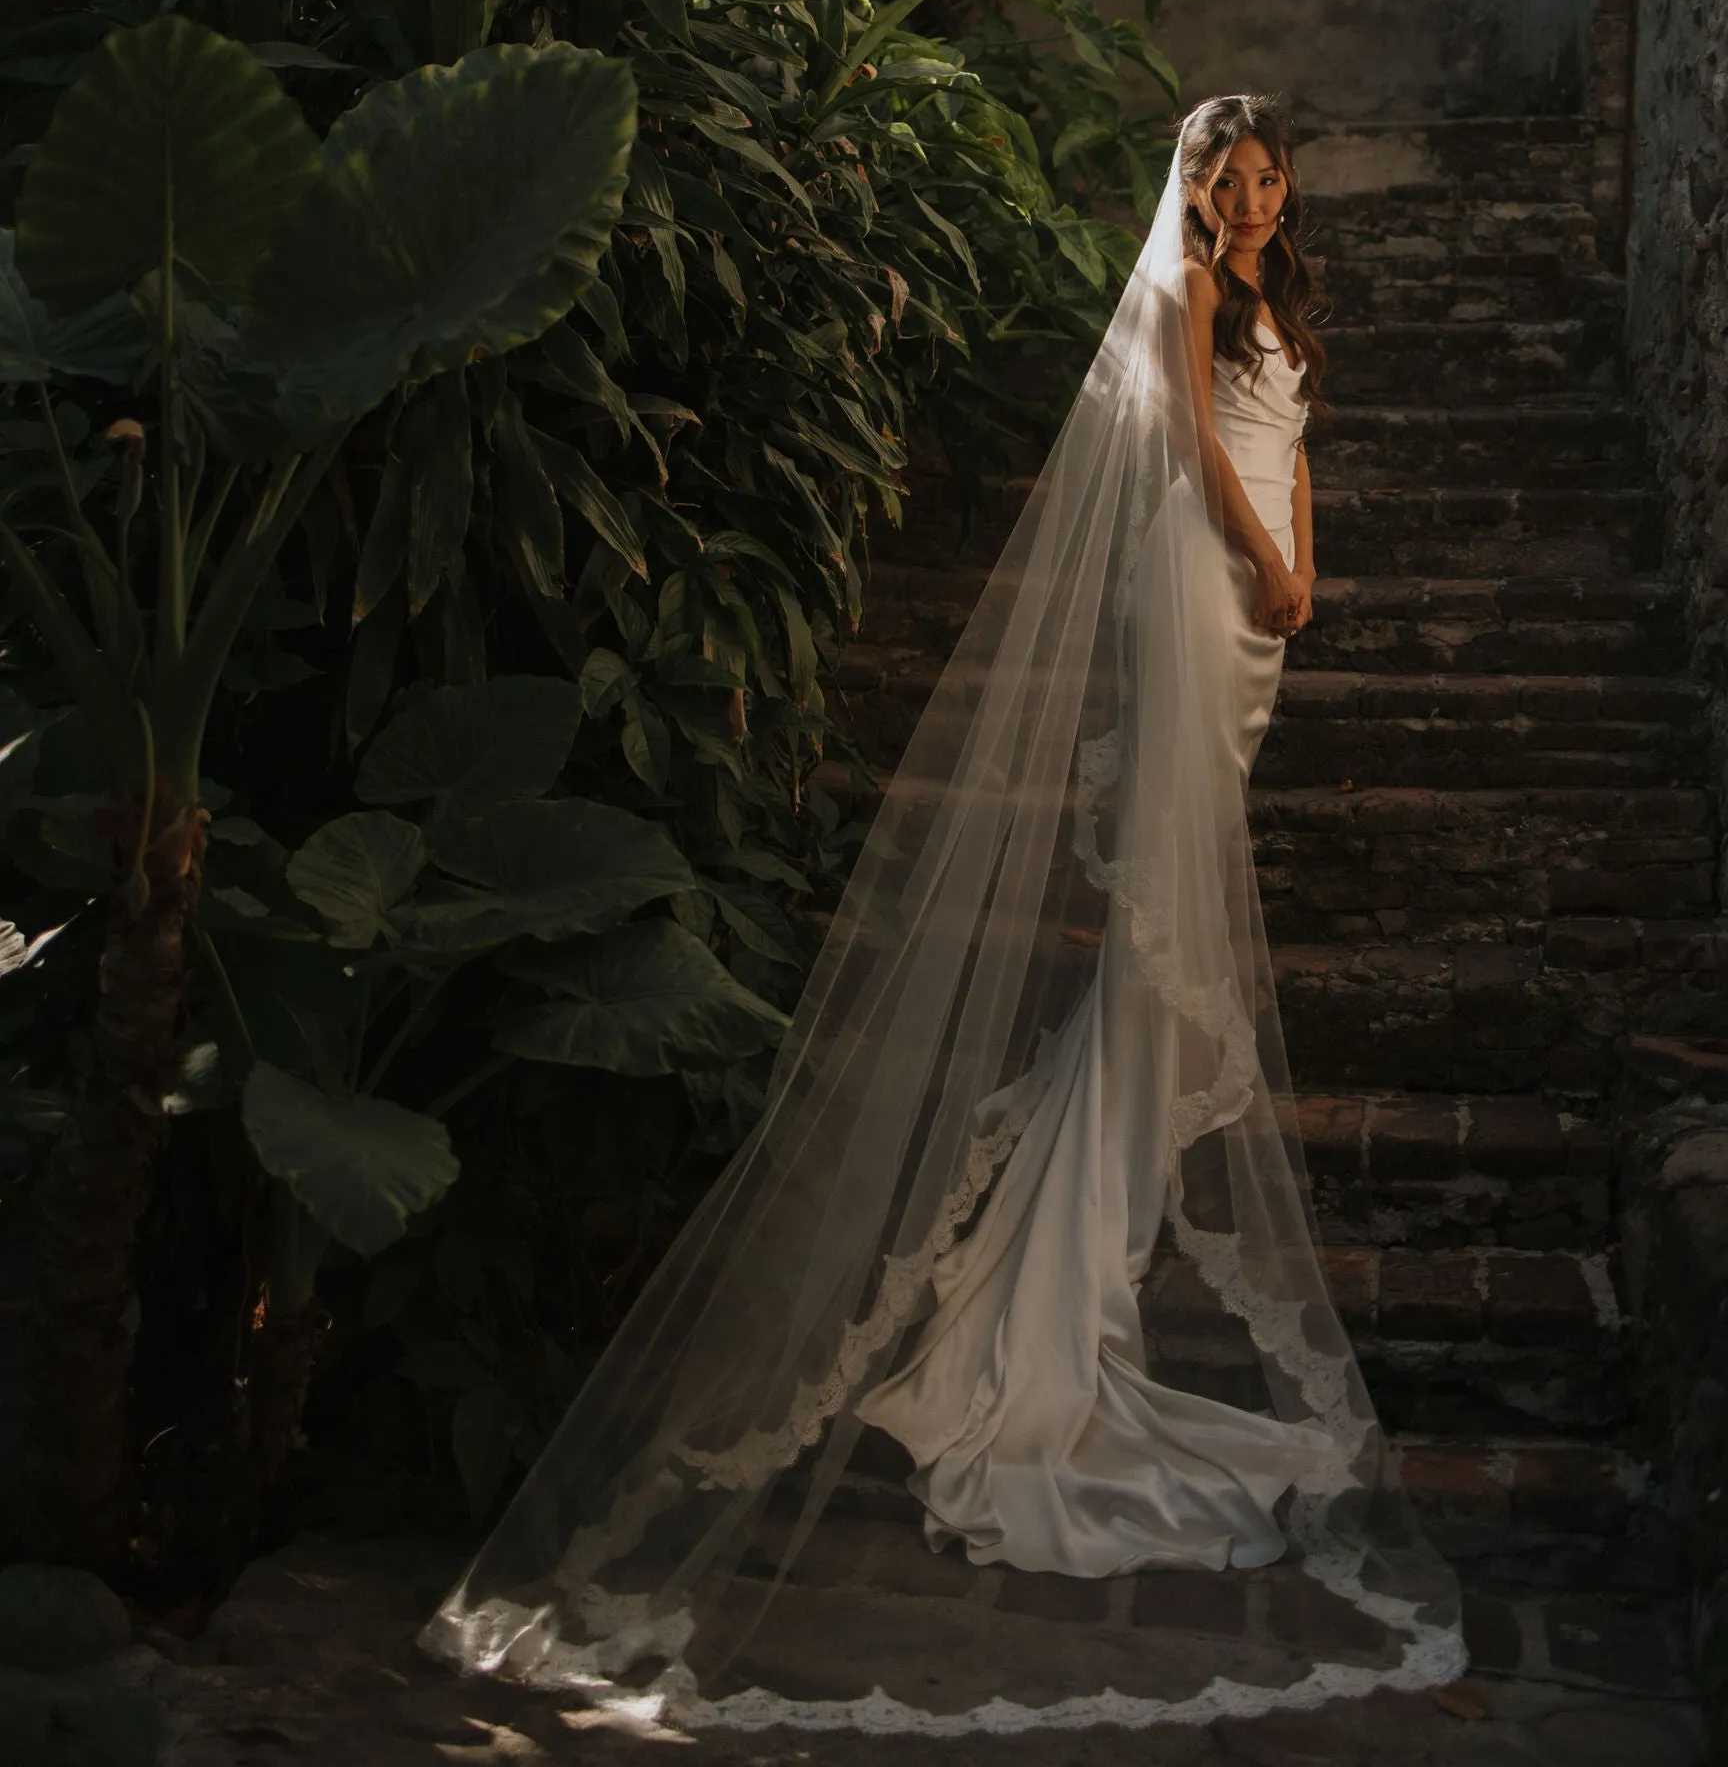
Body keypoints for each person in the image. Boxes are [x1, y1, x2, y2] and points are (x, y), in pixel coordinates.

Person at [425, 97, 1464, 1731]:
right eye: (1229, 179)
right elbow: (1202, 446)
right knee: (1165, 921)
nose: (1254, 201)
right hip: (1200, 570)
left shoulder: (1278, 302)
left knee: (1176, 912)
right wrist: (1258, 550)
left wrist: (1306, 568)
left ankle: (1090, 1215)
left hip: (1260, 601)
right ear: (1190, 191)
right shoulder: (1189, 297)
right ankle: (1053, 1298)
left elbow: (1292, 436)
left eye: (1271, 181)